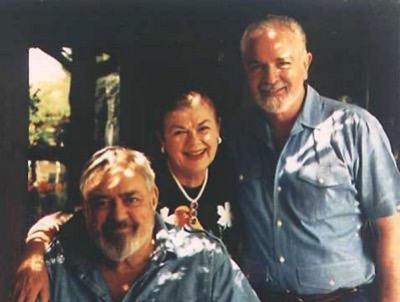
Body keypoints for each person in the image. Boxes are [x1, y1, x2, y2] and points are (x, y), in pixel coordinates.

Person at [228, 14, 400, 301]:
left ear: (306, 64)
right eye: (258, 66)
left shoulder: (355, 128)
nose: (271, 78)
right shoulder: (239, 135)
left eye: (283, 63)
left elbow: (391, 229)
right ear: (246, 71)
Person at [11, 90, 240, 302]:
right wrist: (34, 255)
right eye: (179, 131)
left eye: (203, 128)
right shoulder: (138, 177)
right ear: (162, 140)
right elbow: (62, 220)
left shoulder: (232, 177)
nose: (194, 141)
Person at [14, 146, 259, 302]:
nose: (118, 216)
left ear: (153, 198)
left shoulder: (205, 262)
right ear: (85, 209)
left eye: (131, 199)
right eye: (102, 203)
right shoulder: (55, 269)